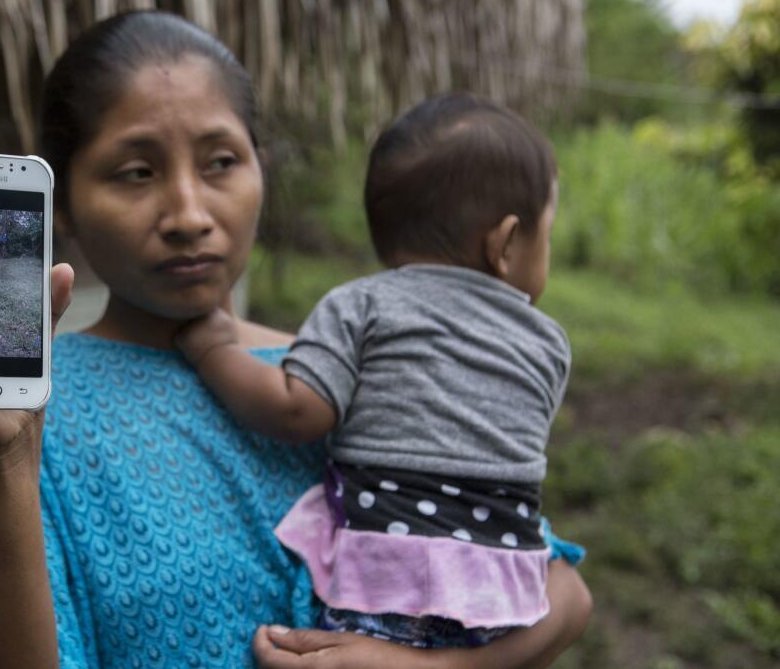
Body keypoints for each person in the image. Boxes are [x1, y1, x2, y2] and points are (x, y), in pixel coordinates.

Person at [0, 11, 591, 669]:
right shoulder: (23, 422)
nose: (189, 212)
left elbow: (553, 585)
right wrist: (3, 461)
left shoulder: (358, 368)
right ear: (63, 208)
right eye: (136, 171)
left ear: (260, 170)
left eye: (220, 161)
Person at [175, 93, 577, 649]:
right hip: (505, 596)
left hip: (386, 584)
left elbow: (297, 410)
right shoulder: (549, 344)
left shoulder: (362, 305)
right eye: (546, 235)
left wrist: (214, 351)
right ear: (506, 243)